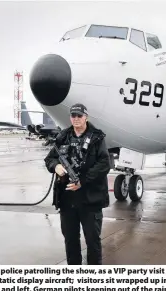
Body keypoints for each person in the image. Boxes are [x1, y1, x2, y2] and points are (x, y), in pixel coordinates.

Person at [44, 103, 111, 265]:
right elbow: (49, 159)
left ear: (86, 117)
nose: (76, 119)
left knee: (93, 242)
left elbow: (104, 164)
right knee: (71, 241)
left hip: (90, 200)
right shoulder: (63, 137)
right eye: (73, 116)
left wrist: (82, 181)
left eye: (79, 116)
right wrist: (56, 166)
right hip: (67, 201)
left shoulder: (96, 137)